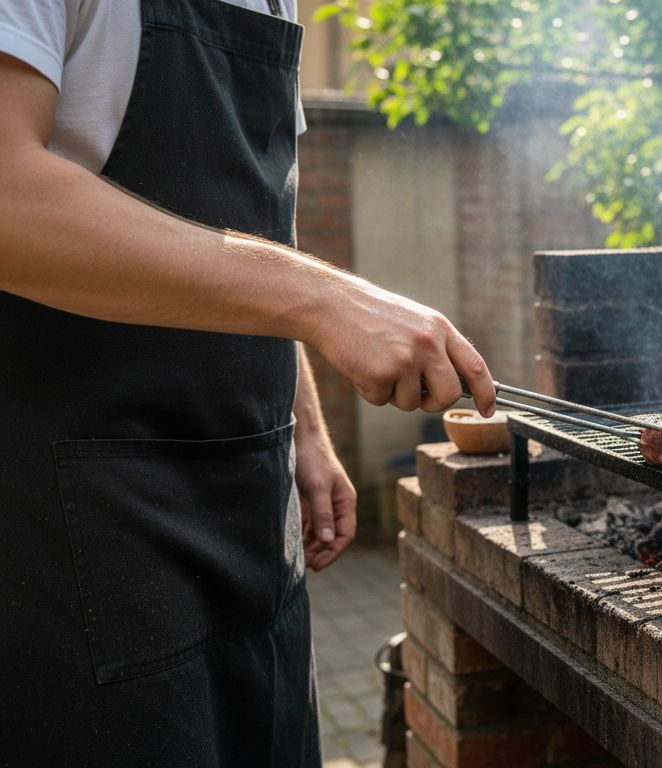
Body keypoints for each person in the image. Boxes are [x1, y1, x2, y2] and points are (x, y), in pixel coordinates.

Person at [0, 1, 497, 765]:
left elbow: (252, 221)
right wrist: (328, 299)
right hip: (83, 531)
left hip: (255, 512)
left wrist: (302, 425)